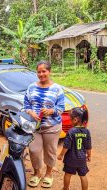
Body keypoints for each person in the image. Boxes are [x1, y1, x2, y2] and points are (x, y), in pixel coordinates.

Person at [24, 60, 65, 188]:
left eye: (44, 71)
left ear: (49, 72)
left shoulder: (57, 89)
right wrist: (30, 112)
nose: (41, 74)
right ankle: (37, 174)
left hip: (52, 127)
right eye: (39, 72)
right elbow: (26, 104)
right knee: (34, 150)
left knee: (50, 151)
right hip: (34, 126)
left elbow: (61, 108)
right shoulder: (31, 87)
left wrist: (51, 111)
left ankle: (48, 174)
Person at [58, 107, 91, 190]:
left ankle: (65, 188)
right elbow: (88, 146)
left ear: (75, 119)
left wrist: (61, 155)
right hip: (82, 159)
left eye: (70, 119)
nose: (70, 121)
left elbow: (66, 146)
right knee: (83, 176)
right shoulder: (86, 131)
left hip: (70, 159)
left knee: (68, 174)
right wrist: (89, 156)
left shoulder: (71, 131)